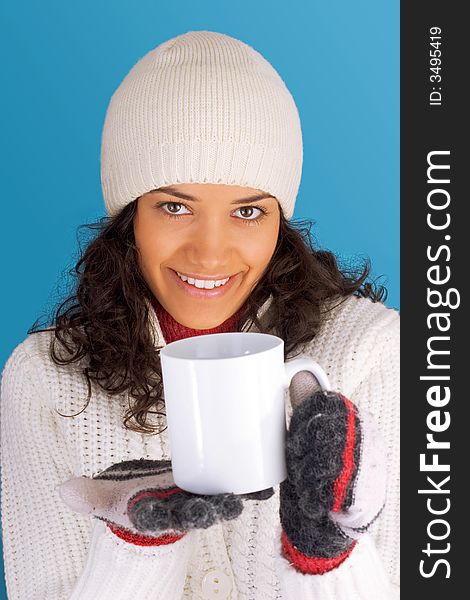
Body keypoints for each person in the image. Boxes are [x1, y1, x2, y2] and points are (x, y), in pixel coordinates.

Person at [0, 30, 399, 599]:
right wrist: (135, 550)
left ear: (279, 222)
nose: (210, 253)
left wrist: (323, 558)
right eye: (174, 206)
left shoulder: (375, 355)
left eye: (247, 210)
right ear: (128, 216)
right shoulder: (44, 382)